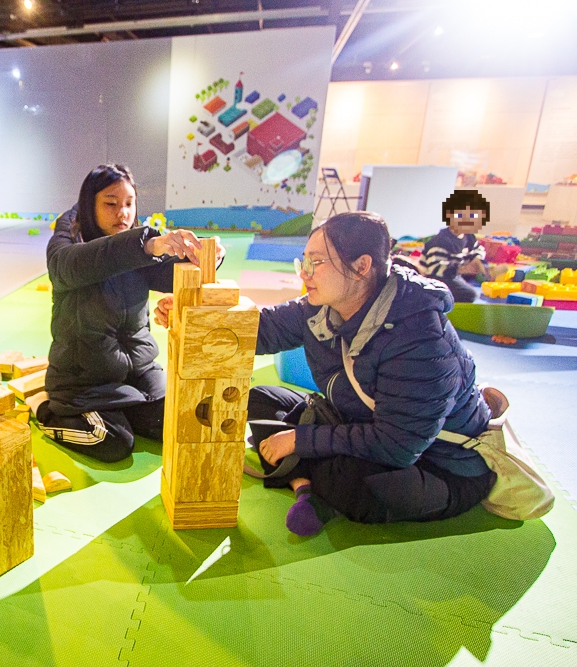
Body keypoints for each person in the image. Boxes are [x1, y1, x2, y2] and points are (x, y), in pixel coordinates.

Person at [155, 212, 498, 536]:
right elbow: (259, 330)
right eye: (303, 261)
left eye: (316, 263)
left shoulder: (419, 336)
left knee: (358, 486)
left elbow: (398, 446)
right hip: (357, 422)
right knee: (258, 398)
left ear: (362, 266)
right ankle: (306, 479)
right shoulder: (321, 306)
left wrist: (299, 440)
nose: (304, 273)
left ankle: (302, 477)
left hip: (438, 464)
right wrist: (192, 316)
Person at [30, 164, 222, 463]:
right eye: (111, 203)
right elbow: (71, 264)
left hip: (138, 374)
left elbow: (167, 275)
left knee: (183, 421)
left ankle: (126, 412)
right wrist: (146, 245)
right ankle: (44, 410)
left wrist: (206, 260)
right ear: (89, 204)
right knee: (113, 442)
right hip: (83, 381)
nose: (123, 213)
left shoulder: (138, 242)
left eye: (129, 204)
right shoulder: (68, 243)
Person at [419, 189, 491, 302]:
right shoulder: (441, 240)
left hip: (456, 273)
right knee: (470, 294)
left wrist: (477, 260)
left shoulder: (469, 237)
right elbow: (434, 268)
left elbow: (478, 250)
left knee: (479, 281)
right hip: (437, 278)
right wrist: (462, 269)